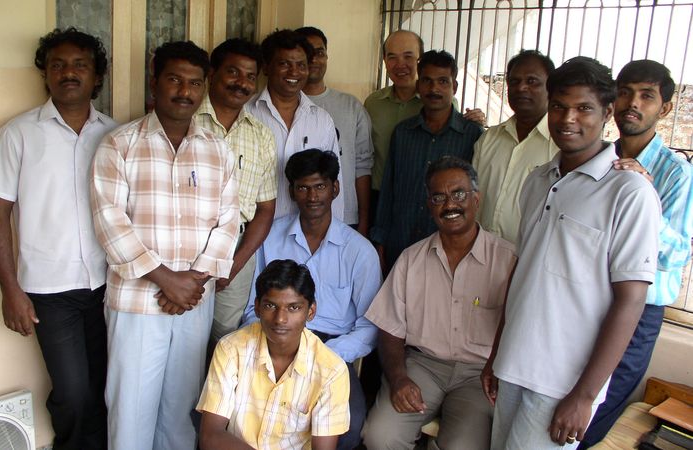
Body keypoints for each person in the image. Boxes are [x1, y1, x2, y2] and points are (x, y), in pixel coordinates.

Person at [481, 57, 661, 450]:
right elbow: (522, 272)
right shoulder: (538, 180)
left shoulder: (629, 193)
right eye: (560, 106)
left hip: (563, 382)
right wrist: (497, 353)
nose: (568, 119)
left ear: (607, 113)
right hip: (514, 364)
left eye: (584, 108)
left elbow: (630, 301)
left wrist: (583, 396)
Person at [91, 41, 240, 450]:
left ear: (204, 88)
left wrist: (192, 281)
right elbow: (110, 223)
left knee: (181, 409)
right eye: (174, 79)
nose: (184, 91)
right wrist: (165, 279)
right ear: (154, 81)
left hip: (195, 300)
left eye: (194, 83)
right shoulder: (119, 144)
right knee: (131, 411)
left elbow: (229, 221)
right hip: (137, 301)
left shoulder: (218, 150)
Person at [0, 27, 115, 450]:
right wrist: (10, 289)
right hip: (49, 290)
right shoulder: (19, 134)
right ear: (45, 74)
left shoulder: (115, 134)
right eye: (58, 65)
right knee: (72, 392)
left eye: (80, 65)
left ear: (96, 76)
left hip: (109, 284)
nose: (69, 73)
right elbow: (0, 216)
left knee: (107, 387)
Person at [362, 157, 516, 449]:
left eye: (458, 194)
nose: (450, 205)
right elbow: (390, 329)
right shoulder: (411, 259)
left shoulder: (508, 260)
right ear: (429, 205)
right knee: (380, 436)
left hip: (480, 375)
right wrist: (398, 379)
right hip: (423, 366)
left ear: (476, 198)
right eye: (438, 197)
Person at [578, 60, 693, 448]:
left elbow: (677, 253)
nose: (633, 103)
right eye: (626, 92)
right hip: (589, 297)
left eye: (646, 96)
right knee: (569, 395)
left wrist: (644, 197)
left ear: (665, 108)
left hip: (639, 309)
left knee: (598, 409)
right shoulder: (597, 159)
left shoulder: (675, 173)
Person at [241, 149, 381, 450]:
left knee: (349, 426)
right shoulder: (270, 237)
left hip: (331, 351)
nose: (312, 196)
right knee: (238, 413)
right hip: (274, 338)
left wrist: (326, 354)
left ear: (335, 188)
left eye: (320, 186)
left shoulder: (359, 251)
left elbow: (370, 326)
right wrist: (274, 342)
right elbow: (252, 307)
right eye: (303, 187)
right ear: (292, 191)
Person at [198, 259, 350, 450]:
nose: (280, 319)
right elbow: (211, 436)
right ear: (257, 307)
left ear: (310, 312)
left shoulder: (332, 371)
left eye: (294, 308)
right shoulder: (231, 349)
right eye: (270, 306)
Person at [194, 38, 277, 345]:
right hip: (186, 245)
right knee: (182, 334)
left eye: (250, 76)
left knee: (224, 339)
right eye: (233, 72)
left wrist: (236, 263)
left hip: (238, 248)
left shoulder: (262, 136)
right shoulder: (185, 121)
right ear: (212, 73)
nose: (241, 83)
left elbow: (265, 209)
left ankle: (215, 395)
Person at [371, 50, 484, 271]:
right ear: (418, 85)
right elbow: (389, 190)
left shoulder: (472, 135)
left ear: (455, 87)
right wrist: (380, 240)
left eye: (443, 81)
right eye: (427, 81)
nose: (434, 89)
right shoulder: (403, 133)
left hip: (449, 247)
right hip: (400, 243)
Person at [365, 30, 484, 223]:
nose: (400, 64)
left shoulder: (445, 107)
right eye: (392, 57)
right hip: (385, 200)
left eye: (408, 56)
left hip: (437, 206)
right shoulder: (372, 104)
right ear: (385, 61)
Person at [245, 29, 344, 220]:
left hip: (307, 235)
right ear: (266, 67)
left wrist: (334, 235)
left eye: (301, 65)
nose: (294, 72)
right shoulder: (247, 114)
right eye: (284, 64)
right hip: (256, 235)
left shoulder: (321, 120)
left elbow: (333, 182)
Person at [472, 50, 559, 244]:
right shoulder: (488, 139)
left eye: (532, 81)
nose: (521, 88)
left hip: (527, 261)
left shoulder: (559, 147)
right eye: (514, 81)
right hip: (480, 256)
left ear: (551, 88)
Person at [296, 26, 374, 235]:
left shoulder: (351, 106)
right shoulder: (285, 106)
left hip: (344, 218)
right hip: (292, 217)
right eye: (307, 53)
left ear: (327, 56)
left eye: (319, 52)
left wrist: (363, 220)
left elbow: (362, 167)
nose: (314, 59)